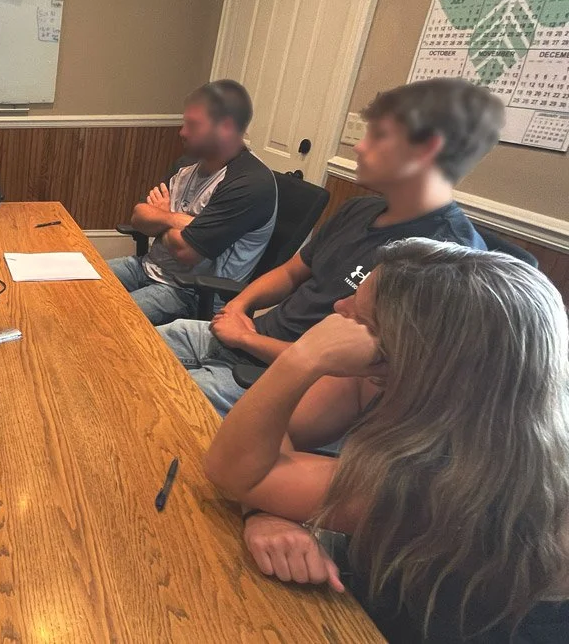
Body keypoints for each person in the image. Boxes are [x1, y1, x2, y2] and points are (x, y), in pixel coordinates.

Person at [205, 239, 569, 642]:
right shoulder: (418, 387)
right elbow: (269, 437)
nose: (338, 308)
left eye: (363, 317)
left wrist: (302, 358)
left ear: (412, 354)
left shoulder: (451, 481)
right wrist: (268, 512)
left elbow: (235, 468)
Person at [160, 77, 503, 415]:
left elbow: (361, 375)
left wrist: (246, 340)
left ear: (426, 150)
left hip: (291, 384)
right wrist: (239, 305)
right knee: (128, 349)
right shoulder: (359, 208)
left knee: (156, 402)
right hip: (249, 339)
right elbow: (293, 272)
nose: (358, 147)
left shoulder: (443, 263)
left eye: (378, 135)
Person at [108, 80, 276, 325]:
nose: (182, 132)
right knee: (74, 285)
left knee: (104, 318)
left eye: (193, 125)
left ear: (226, 128)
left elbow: (187, 251)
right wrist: (173, 219)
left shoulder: (248, 183)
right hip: (147, 267)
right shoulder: (187, 165)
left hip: (192, 293)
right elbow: (138, 216)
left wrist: (160, 218)